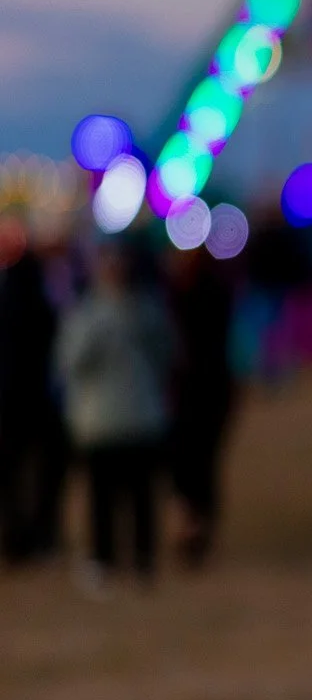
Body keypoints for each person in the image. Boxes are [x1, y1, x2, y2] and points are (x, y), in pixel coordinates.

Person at [55, 241, 177, 592]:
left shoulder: (146, 311)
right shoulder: (88, 315)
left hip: (138, 417)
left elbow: (165, 353)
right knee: (102, 498)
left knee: (139, 497)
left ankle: (141, 561)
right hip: (102, 421)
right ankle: (104, 560)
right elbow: (70, 361)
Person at [164, 245, 240, 565]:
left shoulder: (179, 298)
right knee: (203, 464)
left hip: (191, 393)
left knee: (190, 464)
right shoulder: (219, 294)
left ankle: (193, 524)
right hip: (210, 391)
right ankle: (197, 523)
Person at [1, 227, 69, 564]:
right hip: (40, 399)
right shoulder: (45, 308)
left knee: (13, 474)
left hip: (11, 400)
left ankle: (17, 536)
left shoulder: (9, 305)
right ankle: (40, 535)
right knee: (42, 472)